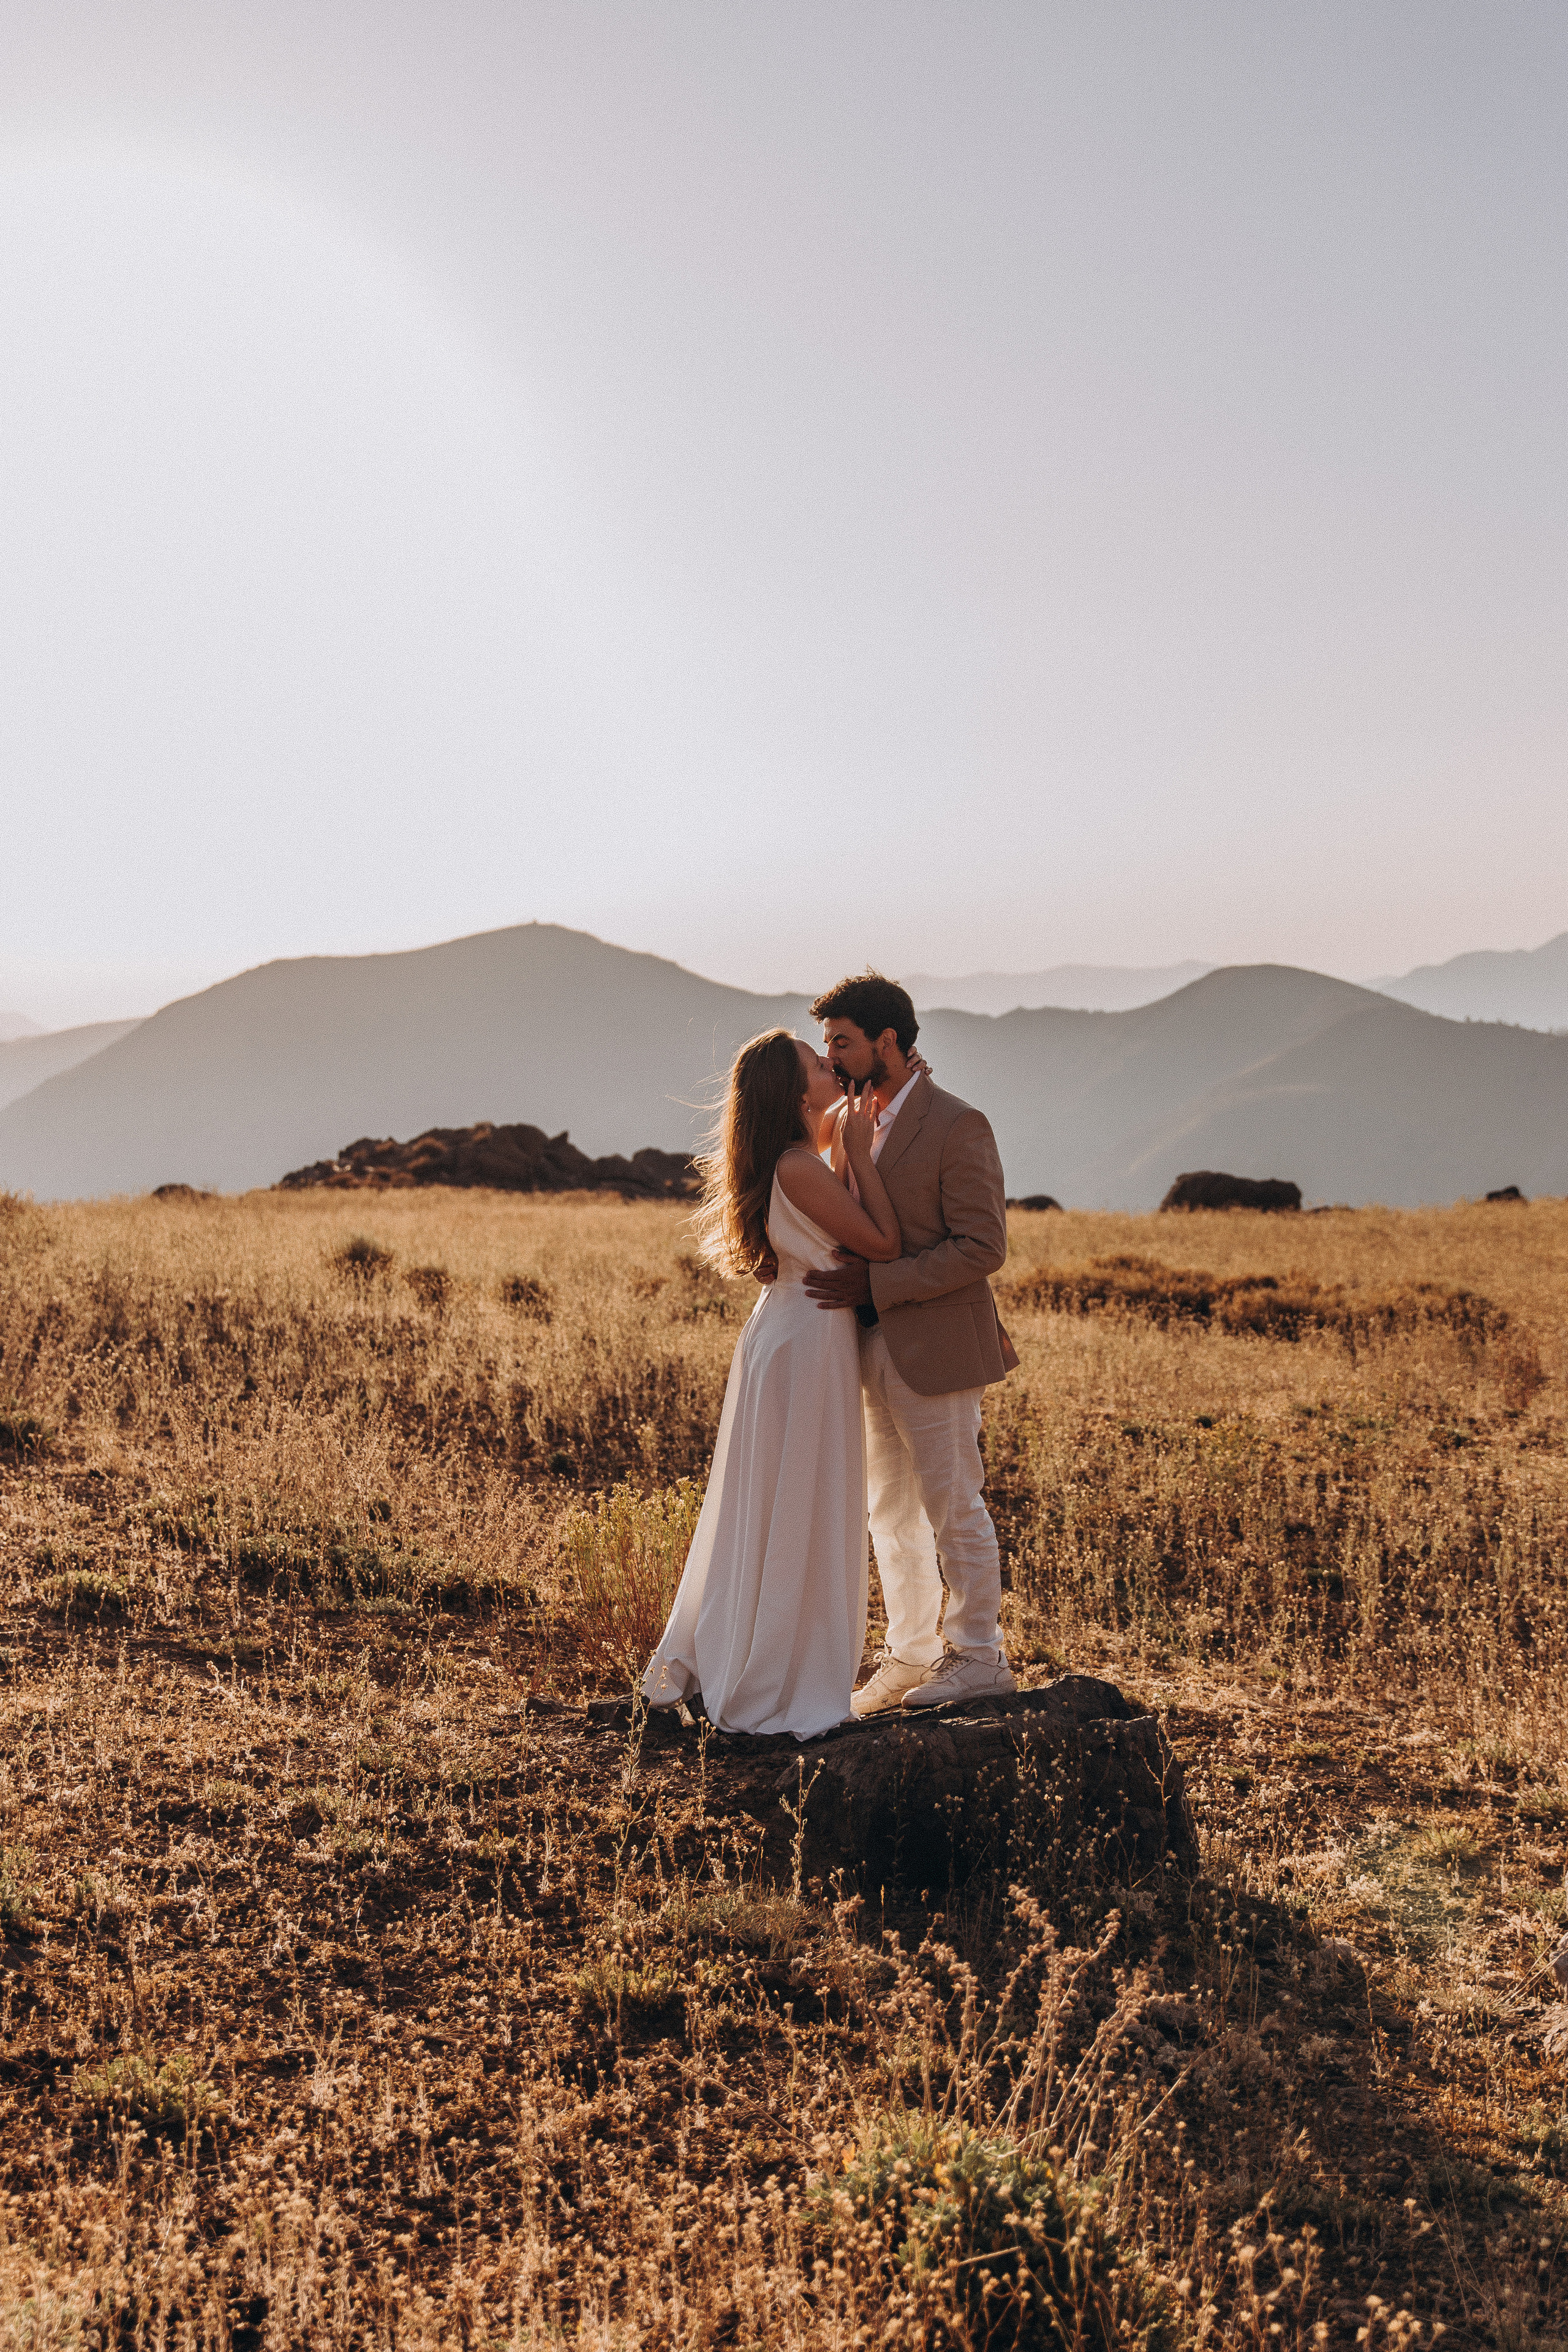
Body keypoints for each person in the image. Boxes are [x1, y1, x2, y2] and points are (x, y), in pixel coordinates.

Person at [641, 1028, 904, 1738]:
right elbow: (883, 1243)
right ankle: (778, 1672)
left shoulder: (791, 1162)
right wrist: (857, 1152)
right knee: (799, 1500)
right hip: (806, 1342)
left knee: (777, 1496)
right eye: (818, 1065)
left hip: (791, 1332)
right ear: (795, 1094)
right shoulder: (798, 1166)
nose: (830, 1066)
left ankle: (755, 1648)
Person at [804, 971, 1019, 1714]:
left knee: (954, 1504)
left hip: (939, 1345)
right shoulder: (846, 1119)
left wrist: (878, 1284)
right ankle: (911, 1655)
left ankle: (980, 1656)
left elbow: (983, 1246)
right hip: (866, 1346)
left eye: (842, 1042)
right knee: (889, 1514)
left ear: (886, 1041)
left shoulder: (958, 1123)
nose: (831, 1056)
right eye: (827, 1044)